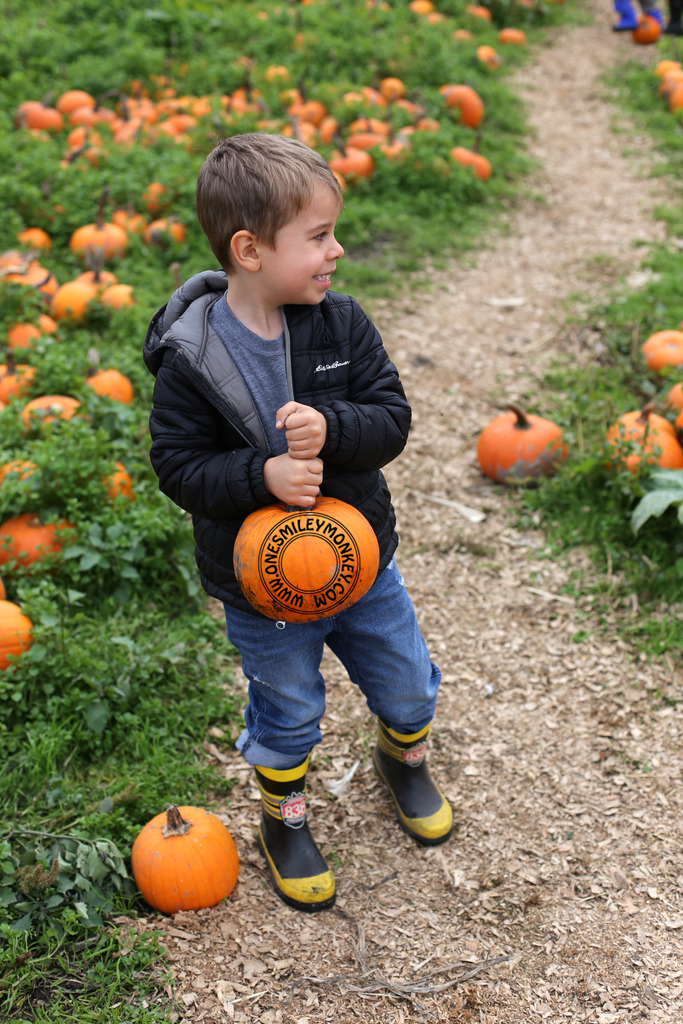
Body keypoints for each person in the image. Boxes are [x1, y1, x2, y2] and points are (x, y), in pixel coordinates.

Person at [142, 133, 453, 914]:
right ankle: (286, 819)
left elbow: (391, 419)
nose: (335, 250)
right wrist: (261, 475)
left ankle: (403, 759)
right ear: (249, 249)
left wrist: (333, 428)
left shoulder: (341, 325)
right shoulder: (191, 357)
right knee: (287, 709)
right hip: (262, 589)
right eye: (317, 237)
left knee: (407, 685)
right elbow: (177, 468)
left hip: (362, 564)